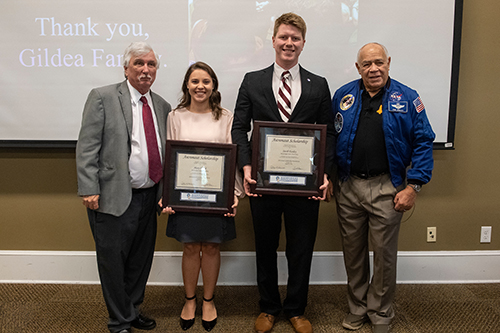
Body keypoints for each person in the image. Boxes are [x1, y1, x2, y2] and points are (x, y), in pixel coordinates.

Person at [231, 12, 335, 333]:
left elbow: (329, 133)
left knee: (301, 246)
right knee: (265, 245)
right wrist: (247, 167)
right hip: (263, 182)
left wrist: (326, 174)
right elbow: (238, 128)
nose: (289, 43)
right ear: (273, 40)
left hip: (305, 184)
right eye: (284, 37)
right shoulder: (252, 80)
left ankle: (296, 308)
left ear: (303, 44)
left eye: (295, 38)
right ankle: (268, 307)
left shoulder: (318, 84)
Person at [331, 42, 435, 333]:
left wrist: (414, 185)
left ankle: (381, 312)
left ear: (388, 62)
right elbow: (329, 138)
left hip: (388, 186)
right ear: (358, 68)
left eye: (378, 62)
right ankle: (357, 308)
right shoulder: (343, 96)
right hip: (349, 186)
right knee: (353, 253)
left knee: (385, 256)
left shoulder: (409, 97)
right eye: (366, 64)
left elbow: (424, 142)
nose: (373, 69)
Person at [76, 41, 171, 333]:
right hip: (114, 196)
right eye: (139, 64)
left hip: (148, 197)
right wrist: (89, 188)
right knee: (113, 263)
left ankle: (131, 310)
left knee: (140, 262)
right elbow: (87, 147)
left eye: (151, 64)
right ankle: (119, 322)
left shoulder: (162, 105)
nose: (145, 70)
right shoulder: (103, 97)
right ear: (126, 67)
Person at [161, 61, 244, 332]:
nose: (200, 86)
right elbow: (169, 159)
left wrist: (234, 193)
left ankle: (208, 301)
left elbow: (231, 158)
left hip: (216, 195)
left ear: (213, 86)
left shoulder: (226, 117)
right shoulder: (175, 116)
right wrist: (167, 195)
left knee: (210, 246)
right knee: (188, 247)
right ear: (187, 84)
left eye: (206, 82)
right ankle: (189, 301)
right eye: (195, 81)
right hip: (184, 194)